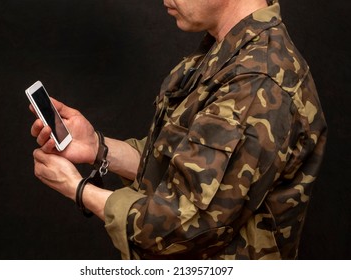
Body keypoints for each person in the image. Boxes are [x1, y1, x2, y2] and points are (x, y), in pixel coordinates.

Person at [30, 0, 327, 259]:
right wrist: (97, 147)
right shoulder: (230, 51)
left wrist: (78, 189)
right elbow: (181, 166)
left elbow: (183, 228)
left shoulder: (256, 82)